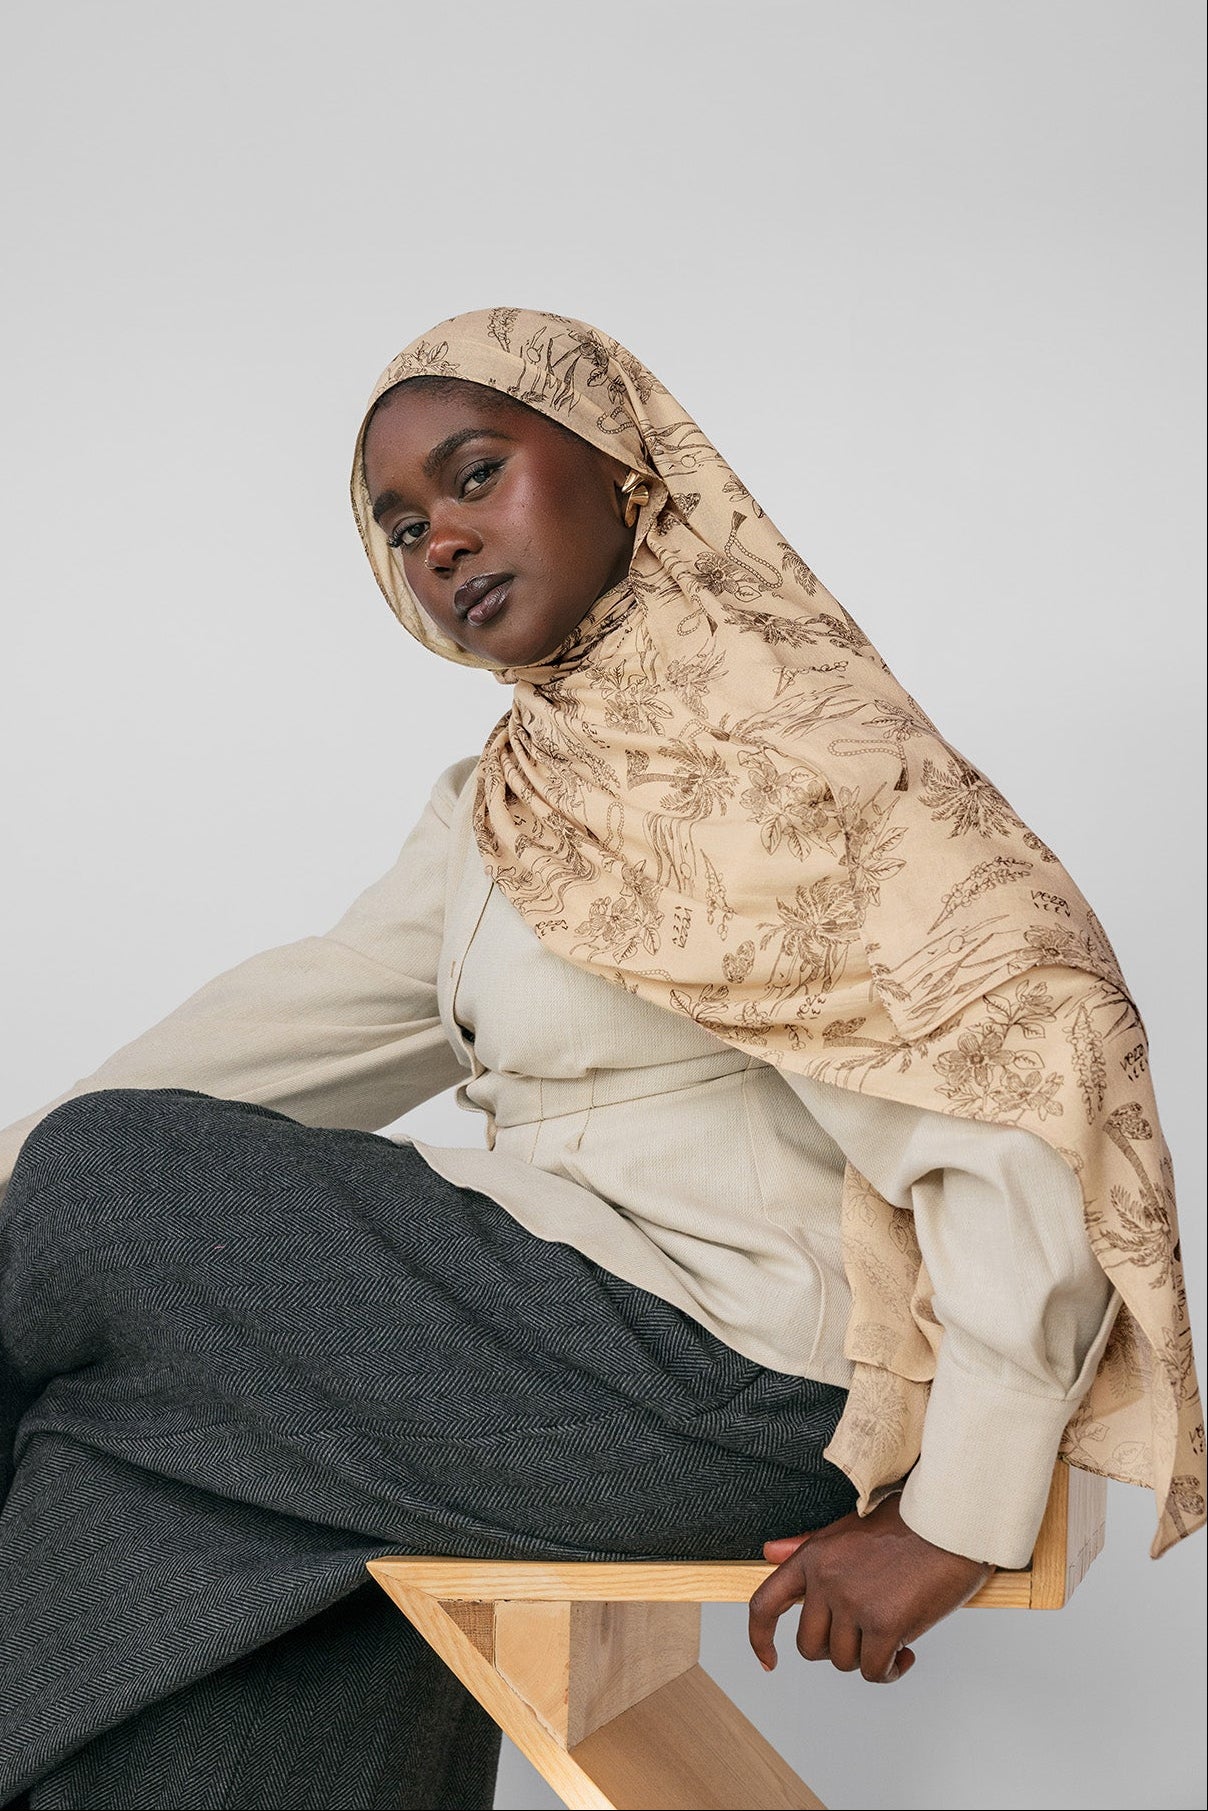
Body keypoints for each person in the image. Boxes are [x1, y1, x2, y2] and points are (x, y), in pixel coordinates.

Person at [0, 307, 1202, 1811]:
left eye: (476, 473)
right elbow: (299, 1020)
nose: (438, 541)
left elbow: (1019, 1099)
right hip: (550, 1338)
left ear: (626, 468)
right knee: (122, 1485)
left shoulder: (805, 753)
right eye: (402, 523)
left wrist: (958, 1515)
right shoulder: (507, 808)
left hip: (742, 1380)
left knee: (103, 1183)